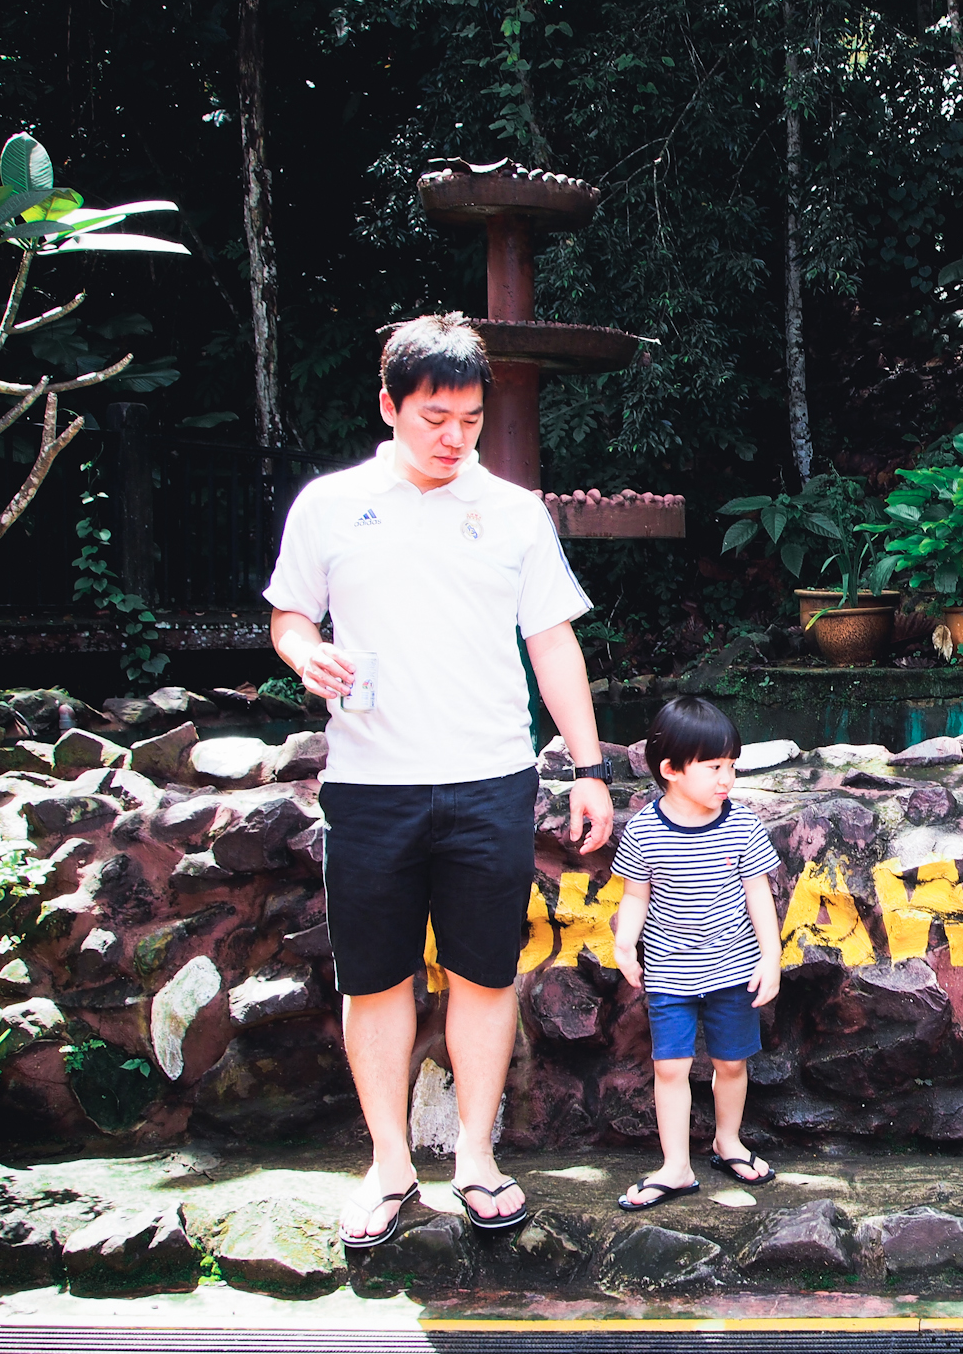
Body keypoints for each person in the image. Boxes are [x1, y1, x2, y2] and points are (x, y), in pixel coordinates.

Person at [264, 312, 615, 1249]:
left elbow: (553, 642)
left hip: (489, 780)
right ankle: (388, 1164)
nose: (454, 438)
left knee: (483, 976)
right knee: (375, 979)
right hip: (370, 784)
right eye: (434, 418)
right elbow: (288, 615)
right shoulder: (330, 505)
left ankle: (477, 1157)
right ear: (389, 406)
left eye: (470, 419)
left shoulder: (513, 512)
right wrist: (305, 652)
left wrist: (588, 767)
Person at [610, 697, 783, 1210]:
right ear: (670, 770)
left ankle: (728, 1142)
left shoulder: (742, 824)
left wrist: (770, 957)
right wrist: (625, 942)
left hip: (734, 969)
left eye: (732, 765)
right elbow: (636, 895)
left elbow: (758, 895)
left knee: (731, 1062)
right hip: (669, 972)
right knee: (671, 1067)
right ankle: (676, 1167)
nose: (727, 778)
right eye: (714, 767)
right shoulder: (644, 830)